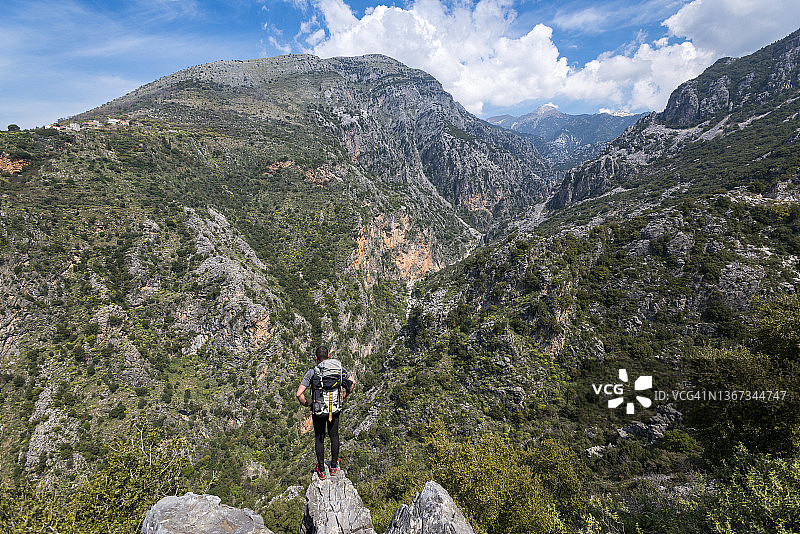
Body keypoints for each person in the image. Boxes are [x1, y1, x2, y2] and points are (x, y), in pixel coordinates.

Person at [296, 345, 354, 479]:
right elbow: (352, 382)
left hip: (319, 410)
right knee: (334, 436)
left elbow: (299, 393)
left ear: (316, 358)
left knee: (319, 438)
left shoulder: (312, 372)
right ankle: (334, 467)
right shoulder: (338, 368)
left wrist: (308, 403)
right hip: (334, 408)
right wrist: (343, 396)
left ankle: (321, 470)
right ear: (328, 357)